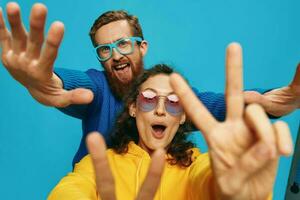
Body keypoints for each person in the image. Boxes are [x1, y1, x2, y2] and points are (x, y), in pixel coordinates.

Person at [0, 2, 299, 166]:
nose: (116, 55)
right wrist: (45, 81)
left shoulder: (169, 97)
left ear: (142, 47)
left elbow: (221, 105)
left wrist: (277, 98)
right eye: (105, 49)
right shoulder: (99, 88)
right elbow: (71, 85)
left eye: (123, 44)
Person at [48, 44, 293, 199]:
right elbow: (72, 189)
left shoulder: (195, 165)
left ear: (184, 115)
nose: (161, 110)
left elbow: (210, 180)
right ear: (133, 108)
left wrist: (233, 186)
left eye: (174, 102)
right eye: (149, 99)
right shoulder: (99, 163)